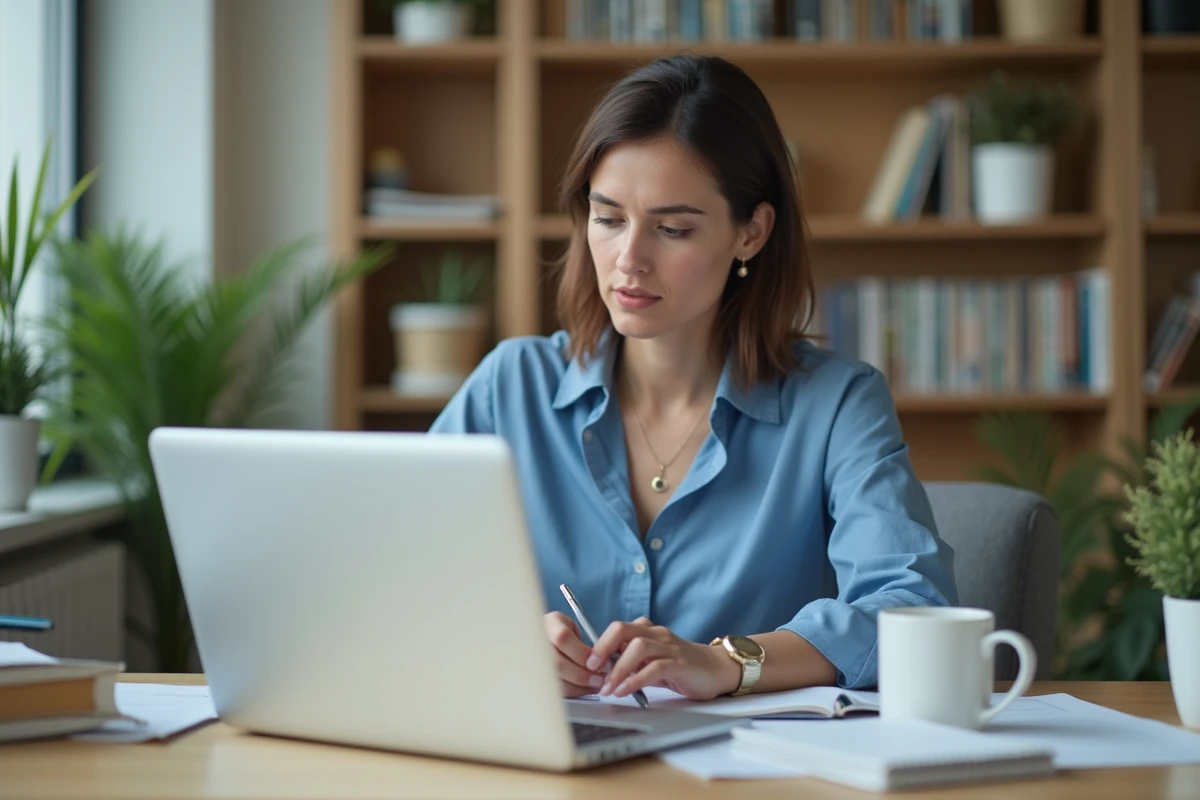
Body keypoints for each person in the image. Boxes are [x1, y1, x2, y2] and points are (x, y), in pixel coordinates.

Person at [430, 55, 957, 700]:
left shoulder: (837, 403)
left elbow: (912, 609)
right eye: (608, 218)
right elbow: (393, 576)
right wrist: (501, 638)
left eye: (673, 229)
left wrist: (726, 662)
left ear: (751, 233)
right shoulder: (509, 387)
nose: (629, 260)